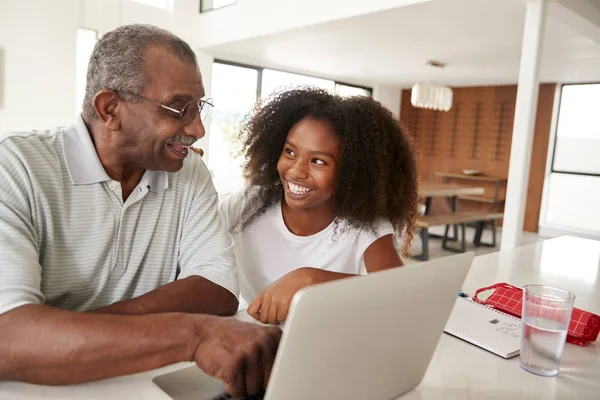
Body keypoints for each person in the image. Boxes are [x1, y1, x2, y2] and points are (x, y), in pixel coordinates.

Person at [0, 24, 280, 397]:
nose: (197, 129)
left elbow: (219, 289)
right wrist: (192, 335)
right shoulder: (15, 168)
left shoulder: (189, 173)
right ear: (110, 108)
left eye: (200, 108)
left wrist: (69, 333)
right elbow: (10, 337)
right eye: (179, 108)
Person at [219, 88, 419, 324]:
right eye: (290, 152)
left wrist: (311, 279)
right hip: (255, 336)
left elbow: (401, 295)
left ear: (352, 172)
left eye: (318, 161)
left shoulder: (366, 227)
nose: (296, 171)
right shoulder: (246, 205)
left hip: (326, 339)